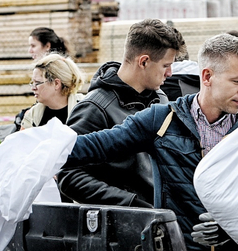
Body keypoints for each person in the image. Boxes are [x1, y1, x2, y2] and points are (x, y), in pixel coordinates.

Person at [64, 33, 238, 251]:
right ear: (207, 76)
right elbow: (95, 146)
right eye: (237, 81)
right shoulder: (161, 120)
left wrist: (232, 226)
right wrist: (37, 148)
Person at [58, 18, 178, 207]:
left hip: (163, 218)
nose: (170, 73)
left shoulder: (161, 99)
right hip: (122, 226)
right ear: (144, 61)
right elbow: (68, 174)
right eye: (165, 65)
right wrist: (130, 204)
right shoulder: (95, 108)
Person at [21, 54, 84, 129]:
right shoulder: (32, 115)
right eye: (32, 83)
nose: (33, 88)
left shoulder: (84, 109)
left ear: (56, 83)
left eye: (37, 82)